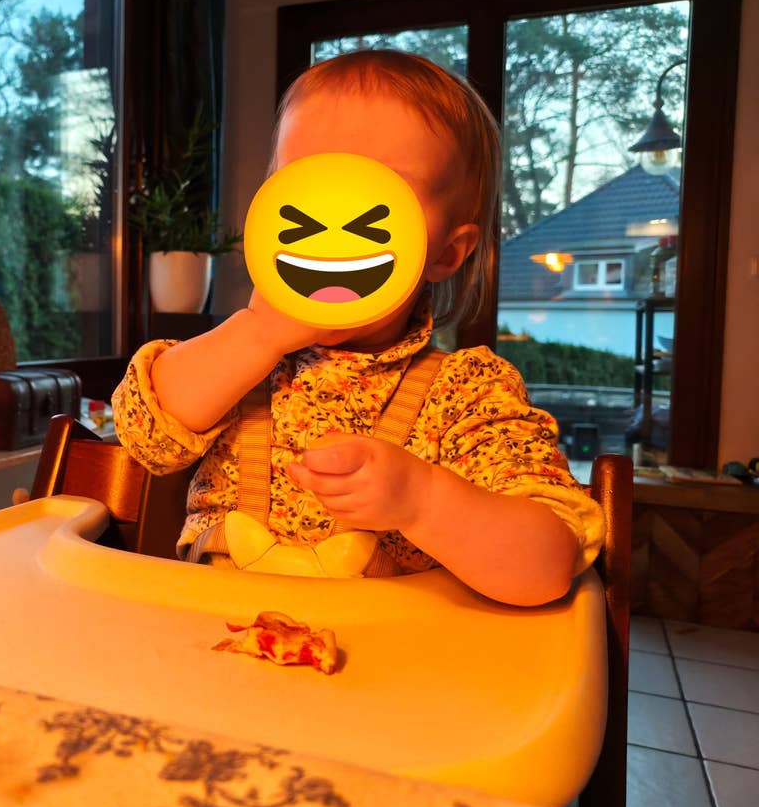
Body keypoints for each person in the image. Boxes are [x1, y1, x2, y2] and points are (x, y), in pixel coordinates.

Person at [111, 50, 604, 607]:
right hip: (219, 639)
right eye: (306, 188)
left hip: (389, 653)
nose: (332, 230)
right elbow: (144, 436)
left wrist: (424, 501)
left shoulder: (468, 392)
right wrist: (255, 333)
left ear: (446, 252)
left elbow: (545, 569)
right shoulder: (240, 360)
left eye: (375, 205)